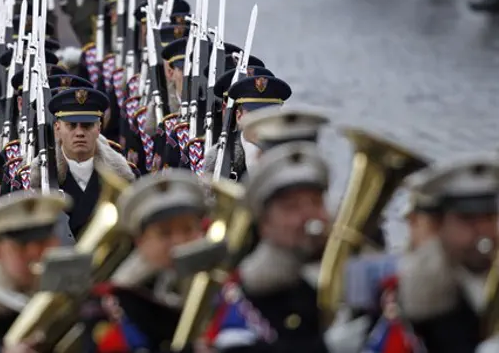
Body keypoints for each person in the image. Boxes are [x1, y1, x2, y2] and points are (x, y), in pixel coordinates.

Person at [213, 142, 370, 353]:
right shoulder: (245, 296)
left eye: (316, 202)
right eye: (291, 207)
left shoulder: (353, 277)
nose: (308, 216)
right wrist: (323, 348)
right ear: (265, 225)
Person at [85, 170, 208, 352]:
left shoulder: (225, 294)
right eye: (165, 233)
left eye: (188, 229)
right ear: (140, 241)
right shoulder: (110, 306)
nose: (179, 242)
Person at [393, 158, 499, 352]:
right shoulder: (426, 282)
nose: (483, 231)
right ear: (438, 226)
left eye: (489, 217)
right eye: (468, 219)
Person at [0, 190, 72, 351]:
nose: (35, 254)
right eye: (22, 246)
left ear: (56, 242)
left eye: (42, 243)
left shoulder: (77, 294)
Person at [31, 88, 135, 239]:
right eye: (71, 125)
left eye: (87, 125)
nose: (79, 132)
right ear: (57, 128)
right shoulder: (41, 179)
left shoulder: (121, 178)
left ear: (99, 128)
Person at [203, 74, 292, 180]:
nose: (260, 122)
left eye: (268, 115)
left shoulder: (290, 157)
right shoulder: (219, 159)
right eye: (253, 115)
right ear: (239, 116)